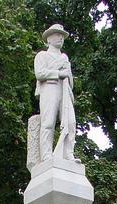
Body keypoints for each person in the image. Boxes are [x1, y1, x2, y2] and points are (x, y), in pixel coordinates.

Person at [34, 24, 76, 162]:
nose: (60, 37)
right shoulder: (42, 55)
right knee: (48, 123)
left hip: (64, 91)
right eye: (57, 34)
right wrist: (59, 73)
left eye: (62, 35)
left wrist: (67, 73)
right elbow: (40, 74)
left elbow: (71, 83)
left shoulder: (65, 58)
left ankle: (68, 154)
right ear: (49, 39)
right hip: (49, 89)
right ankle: (46, 155)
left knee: (71, 122)